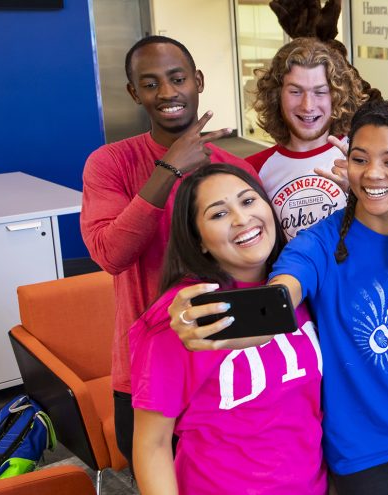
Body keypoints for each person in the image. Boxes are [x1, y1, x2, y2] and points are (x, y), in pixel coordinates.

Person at [170, 100, 388, 495]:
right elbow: (280, 298)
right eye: (361, 159)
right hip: (367, 456)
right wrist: (210, 321)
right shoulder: (318, 244)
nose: (374, 174)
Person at [80, 35, 258, 465]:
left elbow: (254, 265)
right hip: (144, 371)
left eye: (177, 78)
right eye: (150, 83)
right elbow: (111, 254)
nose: (167, 93)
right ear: (133, 93)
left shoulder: (235, 168)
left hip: (221, 365)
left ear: (197, 81)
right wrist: (170, 168)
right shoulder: (110, 163)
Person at [130, 164, 325, 494]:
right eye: (218, 214)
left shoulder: (296, 288)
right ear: (199, 241)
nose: (241, 219)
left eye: (248, 201)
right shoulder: (187, 314)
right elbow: (153, 445)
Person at [247, 37, 368, 239]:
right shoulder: (253, 170)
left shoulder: (366, 158)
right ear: (276, 95)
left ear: (337, 96)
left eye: (320, 92)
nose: (307, 105)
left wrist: (365, 191)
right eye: (295, 91)